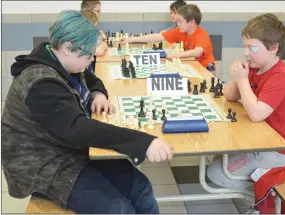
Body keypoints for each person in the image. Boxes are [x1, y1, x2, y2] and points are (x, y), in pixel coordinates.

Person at [1, 10, 173, 214]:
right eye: (89, 54)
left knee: (141, 187)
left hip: (71, 151)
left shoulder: (62, 62)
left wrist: (98, 94)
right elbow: (78, 129)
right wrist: (143, 142)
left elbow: (90, 79)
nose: (91, 59)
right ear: (67, 47)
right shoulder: (41, 83)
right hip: (43, 163)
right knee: (118, 209)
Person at [206, 13, 285, 192]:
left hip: (278, 149)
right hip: (259, 139)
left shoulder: (281, 76)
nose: (245, 52)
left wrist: (242, 81)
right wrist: (238, 77)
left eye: (252, 48)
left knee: (215, 173)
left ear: (273, 47)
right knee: (219, 155)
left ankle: (266, 193)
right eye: (245, 47)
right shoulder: (255, 67)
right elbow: (229, 95)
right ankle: (260, 179)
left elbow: (256, 114)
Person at [120, 4, 216, 75]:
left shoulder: (202, 34)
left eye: (180, 21)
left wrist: (178, 54)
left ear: (192, 22)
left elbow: (197, 52)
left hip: (206, 71)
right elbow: (158, 36)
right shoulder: (181, 31)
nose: (177, 24)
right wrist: (131, 39)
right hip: (192, 68)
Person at [80, 8, 108, 73]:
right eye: (93, 27)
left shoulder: (88, 36)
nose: (95, 29)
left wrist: (104, 40)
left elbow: (99, 43)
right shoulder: (82, 41)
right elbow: (99, 51)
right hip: (84, 74)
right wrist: (104, 43)